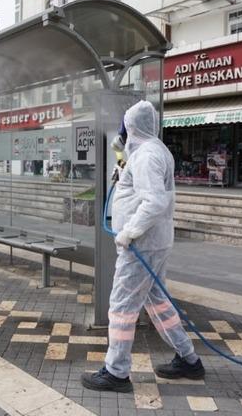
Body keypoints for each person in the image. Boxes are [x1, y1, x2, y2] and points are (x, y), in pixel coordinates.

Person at [82, 101, 204, 393]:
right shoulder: (150, 151)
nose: (123, 131)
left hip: (142, 244)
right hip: (153, 242)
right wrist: (120, 157)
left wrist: (130, 232)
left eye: (125, 126)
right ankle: (189, 359)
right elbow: (140, 187)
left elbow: (154, 201)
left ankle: (116, 372)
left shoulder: (147, 155)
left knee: (122, 306)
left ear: (133, 126)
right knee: (158, 302)